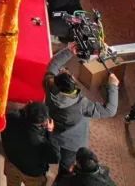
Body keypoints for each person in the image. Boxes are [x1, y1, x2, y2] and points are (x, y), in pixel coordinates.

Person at [45, 45, 119, 174]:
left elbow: (53, 64)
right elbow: (110, 110)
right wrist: (113, 86)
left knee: (48, 153)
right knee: (66, 170)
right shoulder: (81, 105)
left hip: (52, 131)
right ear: (73, 88)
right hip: (71, 143)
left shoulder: (48, 84)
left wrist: (68, 51)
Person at [1, 101, 59, 186]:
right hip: (32, 173)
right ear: (43, 122)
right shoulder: (41, 141)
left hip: (12, 163)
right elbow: (55, 157)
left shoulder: (10, 119)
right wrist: (50, 132)